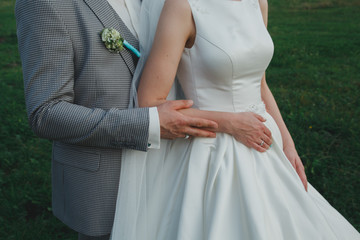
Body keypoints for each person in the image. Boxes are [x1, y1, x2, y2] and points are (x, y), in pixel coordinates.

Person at [15, 0, 284, 239]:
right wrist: (149, 123)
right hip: (108, 181)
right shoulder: (43, 4)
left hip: (181, 167)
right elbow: (46, 112)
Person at [110, 0, 360, 239]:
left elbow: (260, 83)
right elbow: (150, 102)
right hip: (213, 153)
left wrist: (288, 144)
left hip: (265, 144)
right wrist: (230, 123)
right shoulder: (183, 6)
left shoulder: (257, 2)